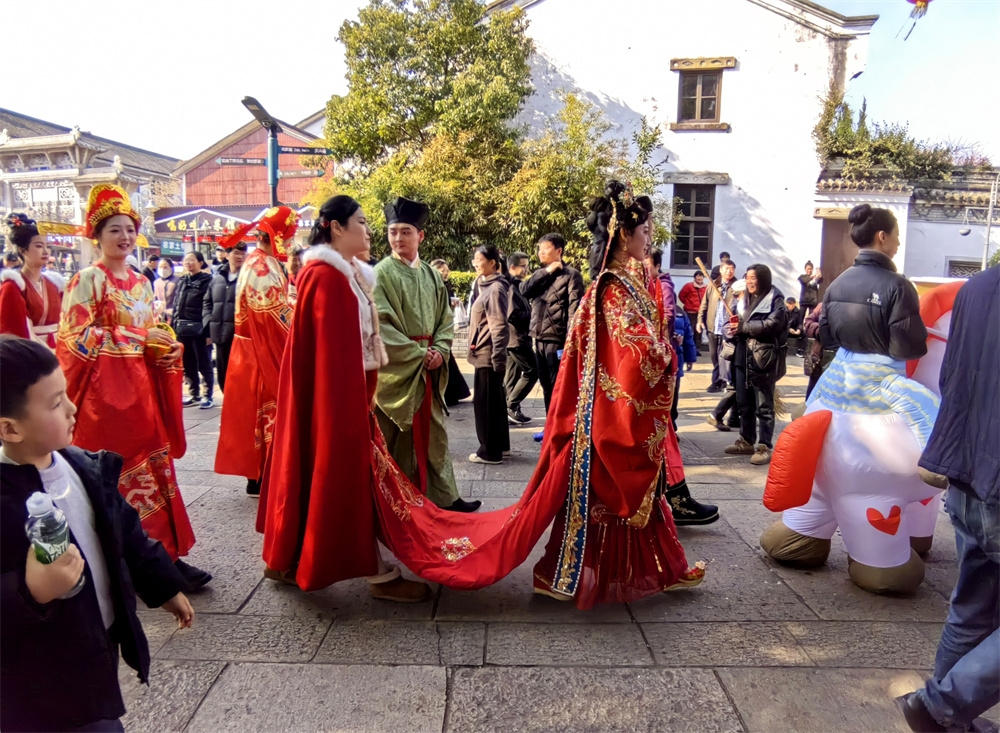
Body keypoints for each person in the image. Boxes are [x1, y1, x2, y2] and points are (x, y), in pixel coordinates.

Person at [0, 336, 195, 733]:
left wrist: (162, 585)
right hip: (37, 673)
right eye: (56, 403)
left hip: (96, 637)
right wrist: (29, 591)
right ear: (10, 428)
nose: (72, 409)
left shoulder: (84, 467)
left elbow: (126, 531)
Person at [256, 195, 431, 600]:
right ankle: (375, 573)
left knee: (318, 472)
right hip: (336, 402)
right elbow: (333, 361)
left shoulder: (345, 273)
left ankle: (286, 558)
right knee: (341, 479)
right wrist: (349, 413)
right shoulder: (328, 277)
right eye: (362, 222)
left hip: (343, 398)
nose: (369, 231)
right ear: (336, 227)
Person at [56, 184, 209, 591]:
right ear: (97, 236)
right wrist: (139, 340)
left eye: (129, 229)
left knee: (155, 471)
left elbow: (150, 331)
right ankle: (136, 565)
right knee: (121, 476)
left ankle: (164, 557)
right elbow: (73, 339)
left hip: (142, 393)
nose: (124, 237)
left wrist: (166, 345)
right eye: (114, 230)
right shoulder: (87, 280)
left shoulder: (141, 281)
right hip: (104, 402)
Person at [896, 265, 999, 733]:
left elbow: (954, 375)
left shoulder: (978, 286)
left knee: (972, 609)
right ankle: (941, 706)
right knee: (972, 608)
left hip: (968, 469)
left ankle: (944, 720)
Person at [373, 197, 478, 513]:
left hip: (429, 366)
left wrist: (442, 350)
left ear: (420, 236)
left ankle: (445, 497)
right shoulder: (381, 274)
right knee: (395, 437)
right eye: (393, 232)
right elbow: (380, 325)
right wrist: (419, 354)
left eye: (406, 232)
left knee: (434, 435)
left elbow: (445, 319)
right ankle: (395, 504)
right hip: (399, 370)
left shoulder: (432, 275)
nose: (398, 238)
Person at [215, 208, 296, 496]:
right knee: (266, 409)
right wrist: (300, 320)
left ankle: (261, 474)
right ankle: (262, 474)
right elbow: (271, 315)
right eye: (290, 235)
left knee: (258, 412)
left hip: (252, 345)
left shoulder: (262, 261)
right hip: (260, 347)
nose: (292, 241)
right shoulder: (261, 266)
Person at [820, 204, 926, 362]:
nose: (898, 243)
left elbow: (826, 336)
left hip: (843, 373)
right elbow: (906, 348)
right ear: (882, 237)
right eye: (896, 235)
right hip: (883, 375)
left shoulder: (836, 284)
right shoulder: (899, 287)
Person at [722, 264, 787, 466]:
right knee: (744, 403)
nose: (749, 282)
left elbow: (773, 324)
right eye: (747, 278)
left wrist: (745, 327)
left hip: (762, 358)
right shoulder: (743, 299)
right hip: (742, 355)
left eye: (753, 278)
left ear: (763, 279)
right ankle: (746, 440)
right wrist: (729, 329)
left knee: (764, 406)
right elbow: (730, 322)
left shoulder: (775, 299)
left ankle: (764, 446)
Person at [521, 233, 585, 414]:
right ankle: (550, 422)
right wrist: (546, 271)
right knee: (545, 384)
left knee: (558, 384)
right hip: (539, 337)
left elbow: (575, 309)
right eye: (539, 249)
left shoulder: (572, 275)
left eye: (546, 248)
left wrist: (571, 339)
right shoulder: (541, 274)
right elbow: (524, 290)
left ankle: (560, 422)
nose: (541, 252)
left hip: (558, 339)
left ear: (559, 251)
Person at [467, 246, 510, 465]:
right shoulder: (486, 285)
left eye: (480, 259)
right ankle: (500, 446)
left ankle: (489, 452)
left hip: (488, 354)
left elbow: (499, 325)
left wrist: (498, 357)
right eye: (474, 259)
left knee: (486, 406)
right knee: (495, 403)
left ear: (493, 262)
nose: (476, 263)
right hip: (484, 352)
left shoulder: (495, 289)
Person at [0, 214, 65, 348]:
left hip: (60, 346)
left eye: (48, 246)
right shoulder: (13, 286)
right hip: (31, 350)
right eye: (39, 246)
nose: (46, 251)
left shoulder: (55, 284)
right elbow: (14, 330)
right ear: (22, 250)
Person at [204, 234, 245, 394]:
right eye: (236, 253)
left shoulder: (247, 278)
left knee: (240, 375)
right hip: (220, 335)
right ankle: (227, 402)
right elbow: (207, 302)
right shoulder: (217, 278)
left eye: (243, 253)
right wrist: (209, 323)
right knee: (223, 375)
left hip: (239, 336)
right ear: (227, 255)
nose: (240, 257)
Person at [174, 251, 214, 409]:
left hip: (200, 328)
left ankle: (207, 395)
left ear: (200, 263)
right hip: (182, 328)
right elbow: (177, 304)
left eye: (191, 260)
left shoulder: (207, 281)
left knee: (204, 362)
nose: (188, 263)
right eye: (186, 260)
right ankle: (194, 393)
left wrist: (209, 331)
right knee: (188, 362)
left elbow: (209, 306)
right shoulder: (182, 280)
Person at [430, 259, 472, 407]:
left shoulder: (446, 285)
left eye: (447, 270)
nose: (446, 273)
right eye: (442, 270)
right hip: (435, 329)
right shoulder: (431, 286)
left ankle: (453, 394)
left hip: (445, 327)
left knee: (448, 361)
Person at [504, 251, 536, 424]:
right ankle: (511, 405)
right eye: (523, 266)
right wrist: (533, 314)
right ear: (512, 267)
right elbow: (512, 315)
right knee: (533, 371)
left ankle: (510, 410)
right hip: (517, 338)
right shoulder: (511, 288)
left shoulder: (517, 286)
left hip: (514, 338)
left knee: (512, 376)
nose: (526, 269)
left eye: (527, 266)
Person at [698, 260, 738, 392]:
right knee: (714, 356)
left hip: (727, 328)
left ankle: (718, 381)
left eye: (732, 269)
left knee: (724, 356)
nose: (729, 271)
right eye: (726, 268)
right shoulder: (713, 285)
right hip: (713, 326)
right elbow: (704, 303)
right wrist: (700, 319)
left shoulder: (737, 286)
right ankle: (721, 380)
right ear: (721, 270)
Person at [672, 305, 698, 431]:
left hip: (676, 361)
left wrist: (690, 357)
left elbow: (688, 337)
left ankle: (672, 426)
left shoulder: (680, 313)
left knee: (673, 396)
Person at [678, 271, 707, 351]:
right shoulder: (688, 286)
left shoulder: (706, 287)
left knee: (699, 331)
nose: (699, 278)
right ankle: (689, 348)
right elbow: (681, 296)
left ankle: (697, 348)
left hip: (701, 313)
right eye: (698, 276)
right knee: (690, 330)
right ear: (694, 277)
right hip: (690, 312)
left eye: (701, 276)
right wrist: (688, 303)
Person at [153, 257, 178, 323]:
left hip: (174, 316)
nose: (162, 269)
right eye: (160, 267)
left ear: (171, 268)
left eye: (165, 267)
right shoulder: (156, 282)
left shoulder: (178, 280)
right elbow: (155, 298)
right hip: (160, 317)